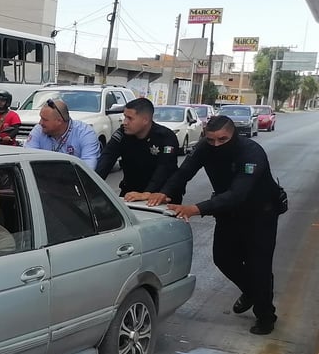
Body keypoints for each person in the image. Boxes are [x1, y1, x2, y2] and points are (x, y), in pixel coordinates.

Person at [143, 115, 283, 335]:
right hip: (228, 213)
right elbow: (184, 172)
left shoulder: (251, 152)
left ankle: (266, 315)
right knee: (223, 259)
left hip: (259, 215)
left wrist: (193, 209)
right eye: (211, 140)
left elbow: (238, 194)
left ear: (233, 135)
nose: (216, 145)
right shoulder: (205, 148)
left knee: (260, 267)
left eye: (222, 140)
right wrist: (163, 193)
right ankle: (251, 291)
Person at [96, 97, 181, 201]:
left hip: (160, 195)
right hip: (130, 192)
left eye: (130, 118)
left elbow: (164, 168)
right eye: (125, 117)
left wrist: (147, 193)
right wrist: (92, 184)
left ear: (145, 120)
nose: (125, 122)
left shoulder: (165, 137)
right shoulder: (122, 134)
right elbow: (107, 158)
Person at [24, 97, 101, 169]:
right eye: (41, 118)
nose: (40, 123)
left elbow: (88, 168)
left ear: (59, 121)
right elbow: (27, 159)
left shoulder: (85, 133)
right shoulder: (39, 130)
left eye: (44, 119)